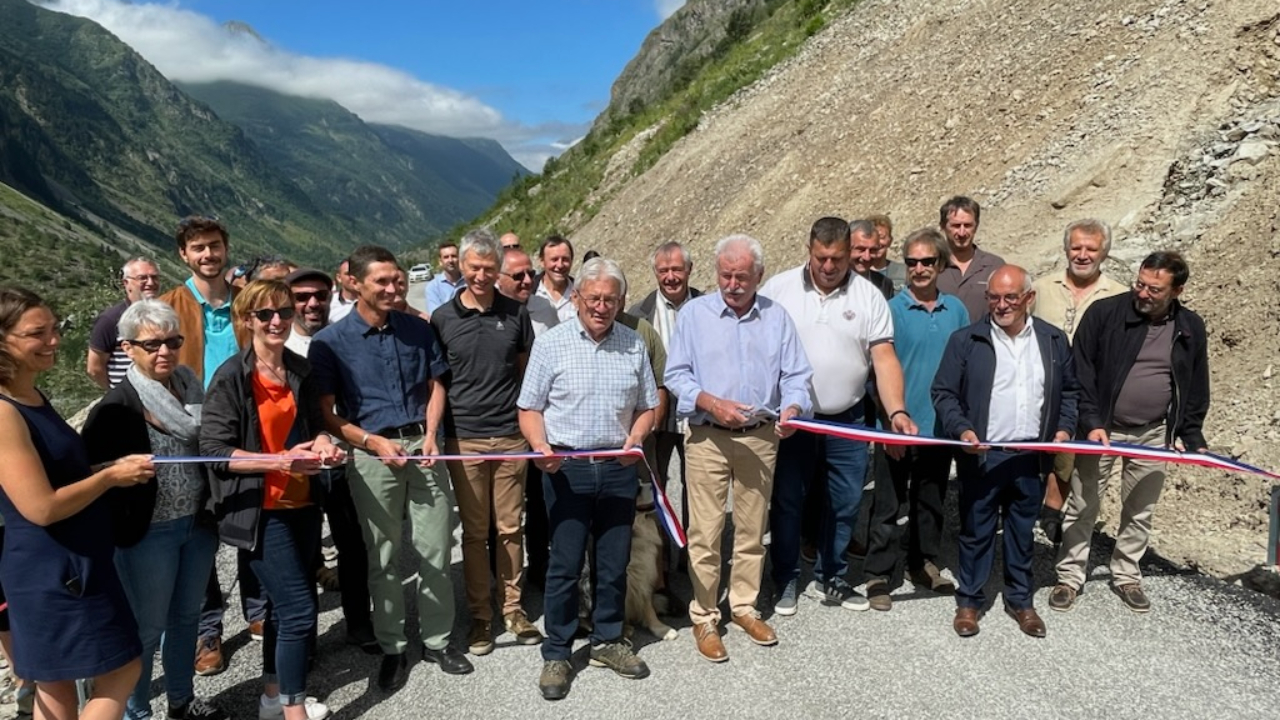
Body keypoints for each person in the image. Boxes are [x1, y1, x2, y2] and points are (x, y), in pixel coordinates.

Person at [310, 245, 472, 689]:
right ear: (354, 283)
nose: (392, 287)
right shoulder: (330, 343)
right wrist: (372, 441)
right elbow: (327, 413)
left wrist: (433, 435)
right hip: (370, 453)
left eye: (396, 279)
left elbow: (437, 382)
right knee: (382, 556)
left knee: (437, 546)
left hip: (423, 445)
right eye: (381, 281)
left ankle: (438, 641)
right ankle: (393, 647)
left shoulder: (418, 329)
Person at [0, 286, 153, 720]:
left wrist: (101, 469)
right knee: (124, 667)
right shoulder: (4, 412)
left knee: (57, 687)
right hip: (57, 568)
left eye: (55, 328)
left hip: (65, 561)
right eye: (37, 333)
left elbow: (52, 474)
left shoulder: (28, 394)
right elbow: (40, 507)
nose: (54, 340)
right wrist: (109, 477)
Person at [665, 234, 813, 663]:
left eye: (741, 277)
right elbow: (676, 375)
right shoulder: (694, 315)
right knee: (706, 532)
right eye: (725, 275)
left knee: (751, 530)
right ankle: (705, 615)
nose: (732, 284)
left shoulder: (777, 317)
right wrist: (712, 403)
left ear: (759, 276)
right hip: (708, 435)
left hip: (761, 436)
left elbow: (797, 374)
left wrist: (793, 407)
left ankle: (744, 606)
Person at [200, 280, 344, 720]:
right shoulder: (231, 377)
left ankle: (271, 699)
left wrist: (322, 444)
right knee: (301, 611)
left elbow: (318, 423)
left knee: (285, 610)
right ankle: (293, 711)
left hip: (302, 503)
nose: (277, 320)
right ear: (247, 321)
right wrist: (279, 462)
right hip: (260, 512)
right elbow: (214, 452)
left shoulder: (299, 370)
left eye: (283, 311)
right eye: (265, 315)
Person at [518, 257, 658, 700]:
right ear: (577, 297)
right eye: (594, 298)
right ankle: (557, 652)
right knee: (564, 564)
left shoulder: (633, 344)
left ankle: (607, 640)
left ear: (620, 301)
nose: (602, 306)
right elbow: (529, 408)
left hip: (618, 468)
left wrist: (637, 435)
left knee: (613, 562)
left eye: (611, 300)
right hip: (566, 468)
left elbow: (649, 404)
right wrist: (540, 447)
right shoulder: (552, 344)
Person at [762, 217, 916, 617]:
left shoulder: (869, 297)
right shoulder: (778, 290)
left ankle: (833, 574)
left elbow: (884, 360)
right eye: (821, 258)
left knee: (845, 502)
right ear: (809, 250)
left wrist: (896, 411)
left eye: (838, 259)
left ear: (850, 254)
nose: (829, 267)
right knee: (787, 502)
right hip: (793, 421)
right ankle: (786, 578)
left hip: (847, 419)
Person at [82, 300, 223, 720]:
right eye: (152, 344)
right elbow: (89, 471)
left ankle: (180, 701)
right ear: (127, 348)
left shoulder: (190, 387)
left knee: (186, 618)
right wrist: (116, 472)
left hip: (197, 525)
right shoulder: (115, 407)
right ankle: (136, 711)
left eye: (172, 341)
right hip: (148, 534)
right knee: (146, 629)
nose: (164, 352)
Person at [1050, 251, 1209, 614]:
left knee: (1140, 509)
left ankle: (1126, 575)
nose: (1143, 293)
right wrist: (1091, 423)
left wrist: (1192, 434)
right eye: (1140, 284)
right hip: (1101, 430)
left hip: (1154, 434)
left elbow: (1196, 384)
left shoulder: (1190, 327)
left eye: (1154, 289)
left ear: (1177, 290)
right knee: (1083, 504)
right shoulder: (1105, 314)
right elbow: (1081, 373)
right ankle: (1070, 576)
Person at [932, 265, 1078, 639]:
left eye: (1010, 297)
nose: (1001, 305)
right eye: (994, 297)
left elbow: (1070, 393)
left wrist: (1063, 428)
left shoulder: (1053, 340)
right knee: (976, 531)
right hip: (984, 456)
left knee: (1021, 531)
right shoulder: (967, 341)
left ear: (1028, 298)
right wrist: (962, 429)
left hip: (1030, 456)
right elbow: (944, 392)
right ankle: (970, 600)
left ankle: (1020, 601)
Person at [430, 230, 542, 656]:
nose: (480, 275)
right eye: (473, 267)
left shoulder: (516, 314)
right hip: (465, 440)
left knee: (511, 528)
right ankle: (480, 616)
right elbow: (438, 382)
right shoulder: (442, 318)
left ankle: (513, 609)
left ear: (499, 270)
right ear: (460, 265)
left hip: (511, 437)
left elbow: (524, 371)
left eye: (489, 269)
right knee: (475, 533)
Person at [159, 215, 254, 677]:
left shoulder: (247, 303)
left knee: (253, 518)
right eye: (198, 248)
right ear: (184, 254)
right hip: (191, 435)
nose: (208, 255)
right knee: (199, 535)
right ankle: (208, 630)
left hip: (247, 429)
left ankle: (259, 612)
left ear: (226, 246)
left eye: (214, 245)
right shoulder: (169, 306)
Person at [862, 228, 970, 611]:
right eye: (911, 262)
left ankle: (924, 563)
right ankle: (878, 574)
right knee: (888, 507)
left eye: (928, 261)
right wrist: (889, 423)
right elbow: (875, 375)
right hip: (896, 429)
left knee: (931, 501)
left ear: (940, 264)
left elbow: (965, 368)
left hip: (939, 429)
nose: (919, 268)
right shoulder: (889, 311)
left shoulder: (957, 310)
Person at [283, 268, 376, 652]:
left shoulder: (343, 339)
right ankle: (303, 639)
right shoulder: (277, 344)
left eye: (319, 295)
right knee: (300, 551)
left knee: (353, 545)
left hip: (340, 459)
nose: (311, 304)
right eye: (302, 296)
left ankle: (359, 623)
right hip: (295, 465)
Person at [1030, 219, 1128, 542]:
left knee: (1078, 456)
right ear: (1065, 249)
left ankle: (1059, 516)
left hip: (1089, 392)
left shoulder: (1119, 295)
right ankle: (1034, 508)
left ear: (1104, 253)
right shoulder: (1041, 288)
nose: (1082, 255)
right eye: (1076, 247)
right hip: (1041, 388)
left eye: (1091, 248)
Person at [627, 241, 702, 532]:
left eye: (677, 269)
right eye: (663, 270)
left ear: (690, 270)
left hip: (697, 412)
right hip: (655, 415)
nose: (670, 276)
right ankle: (659, 563)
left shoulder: (708, 307)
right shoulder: (638, 315)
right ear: (655, 273)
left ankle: (692, 556)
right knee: (654, 484)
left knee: (697, 486)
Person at [87, 257, 162, 390]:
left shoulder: (164, 316)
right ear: (126, 283)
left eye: (155, 277)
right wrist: (114, 393)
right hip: (128, 403)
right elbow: (94, 368)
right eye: (142, 278)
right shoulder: (110, 320)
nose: (150, 283)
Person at [935, 196, 1005, 320]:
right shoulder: (929, 266)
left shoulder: (995, 266)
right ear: (943, 226)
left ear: (976, 226)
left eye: (967, 225)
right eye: (956, 226)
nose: (962, 233)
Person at [527, 235, 576, 335]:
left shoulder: (583, 294)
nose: (560, 265)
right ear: (542, 262)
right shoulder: (528, 293)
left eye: (565, 259)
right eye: (554, 259)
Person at [849, 220, 895, 299]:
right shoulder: (830, 282)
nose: (867, 257)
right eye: (861, 249)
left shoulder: (884, 283)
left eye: (873, 250)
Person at [424, 241, 464, 316]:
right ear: (440, 261)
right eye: (446, 257)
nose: (450, 260)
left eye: (454, 256)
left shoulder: (469, 281)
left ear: (459, 258)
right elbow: (436, 315)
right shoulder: (433, 287)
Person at [867, 214, 906, 289]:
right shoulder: (856, 273)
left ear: (890, 241)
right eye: (873, 237)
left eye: (882, 237)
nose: (877, 243)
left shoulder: (904, 273)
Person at [327, 259, 359, 325]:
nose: (353, 277)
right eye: (348, 274)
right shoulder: (329, 303)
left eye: (356, 273)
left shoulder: (371, 303)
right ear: (339, 278)